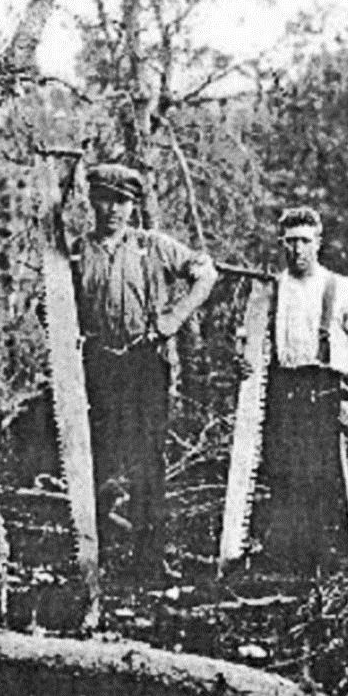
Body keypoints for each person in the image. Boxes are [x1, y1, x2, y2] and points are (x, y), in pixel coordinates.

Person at [73, 163, 217, 579]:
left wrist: (174, 318)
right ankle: (95, 555)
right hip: (98, 364)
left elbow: (205, 274)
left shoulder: (154, 246)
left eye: (122, 201)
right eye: (105, 199)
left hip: (144, 363)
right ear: (92, 201)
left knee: (147, 459)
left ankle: (148, 560)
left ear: (133, 206)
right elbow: (52, 304)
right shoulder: (78, 251)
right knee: (96, 456)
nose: (112, 209)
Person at [256, 207, 348, 574]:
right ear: (282, 243)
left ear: (318, 243)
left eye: (304, 241)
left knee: (323, 480)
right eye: (290, 241)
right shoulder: (270, 289)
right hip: (282, 393)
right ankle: (286, 568)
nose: (297, 250)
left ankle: (329, 567)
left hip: (325, 393)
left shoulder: (343, 289)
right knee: (281, 477)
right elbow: (251, 344)